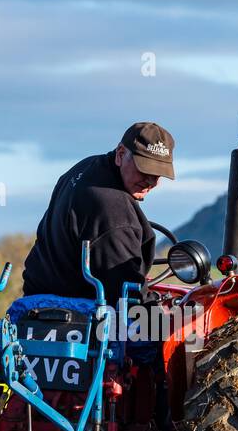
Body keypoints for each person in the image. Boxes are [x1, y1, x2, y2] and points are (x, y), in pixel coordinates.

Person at [22, 122, 175, 301]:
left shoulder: (86, 167)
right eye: (144, 170)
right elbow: (126, 293)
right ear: (120, 154)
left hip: (35, 301)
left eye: (157, 175)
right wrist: (156, 317)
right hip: (75, 314)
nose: (150, 181)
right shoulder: (113, 210)